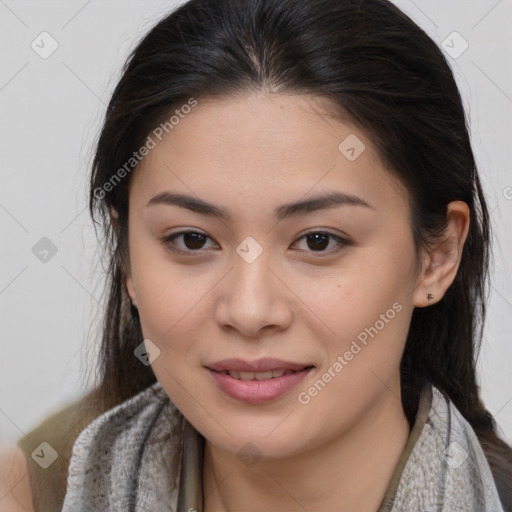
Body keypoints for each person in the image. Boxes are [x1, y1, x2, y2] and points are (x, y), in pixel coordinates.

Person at [2, 0, 511, 510]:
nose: (249, 311)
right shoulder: (37, 484)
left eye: (318, 240)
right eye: (192, 239)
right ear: (128, 257)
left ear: (438, 257)